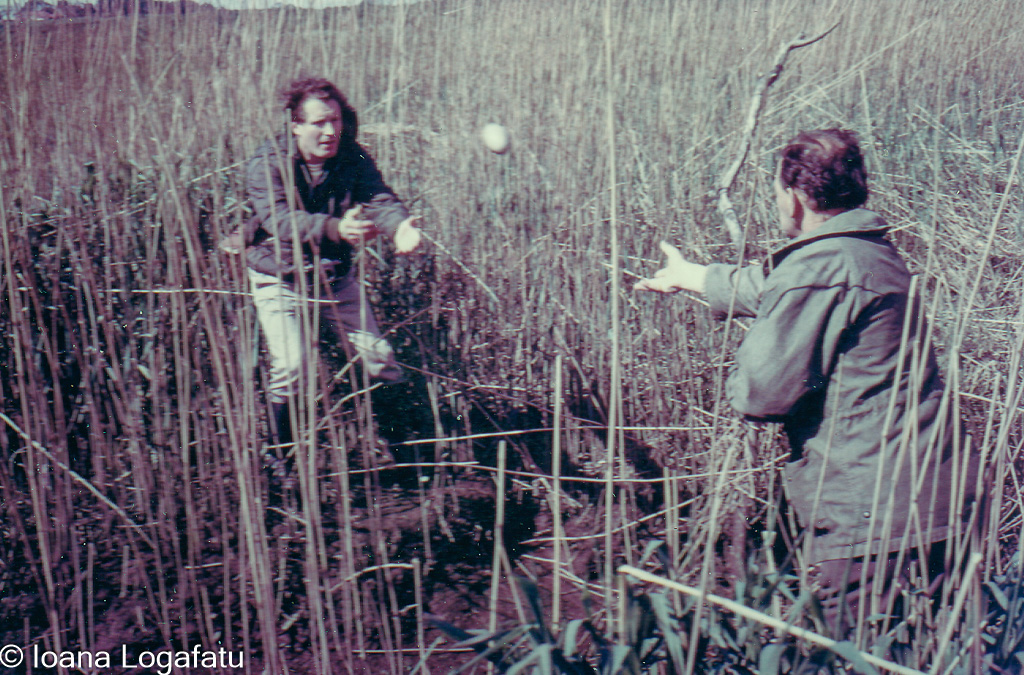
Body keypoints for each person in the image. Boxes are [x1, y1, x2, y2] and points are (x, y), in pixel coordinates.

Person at [636, 129, 977, 634]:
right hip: (940, 493)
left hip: (872, 510)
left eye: (776, 189)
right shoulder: (869, 252)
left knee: (851, 653)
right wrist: (693, 275)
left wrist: (762, 343)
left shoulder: (820, 268)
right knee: (935, 649)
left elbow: (761, 393)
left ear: (795, 197)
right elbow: (779, 285)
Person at [239, 77, 422, 449]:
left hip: (333, 279)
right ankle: (281, 461)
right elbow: (279, 220)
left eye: (335, 121)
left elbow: (379, 198)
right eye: (318, 123)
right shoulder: (266, 163)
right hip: (280, 279)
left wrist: (399, 227)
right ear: (295, 125)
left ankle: (406, 454)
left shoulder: (352, 155)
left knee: (380, 360)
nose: (330, 131)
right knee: (292, 366)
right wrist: (337, 229)